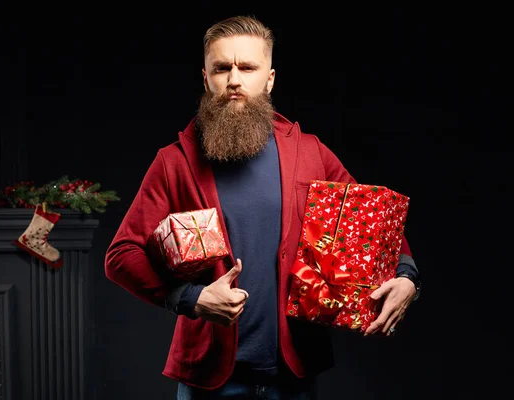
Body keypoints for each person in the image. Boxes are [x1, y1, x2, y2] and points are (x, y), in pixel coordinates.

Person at [105, 15, 420, 400]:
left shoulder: (310, 151)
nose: (234, 79)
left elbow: (372, 221)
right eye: (222, 68)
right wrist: (190, 298)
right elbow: (121, 255)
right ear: (206, 78)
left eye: (247, 67)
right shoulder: (174, 162)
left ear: (269, 79)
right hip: (210, 376)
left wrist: (406, 275)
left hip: (294, 373)